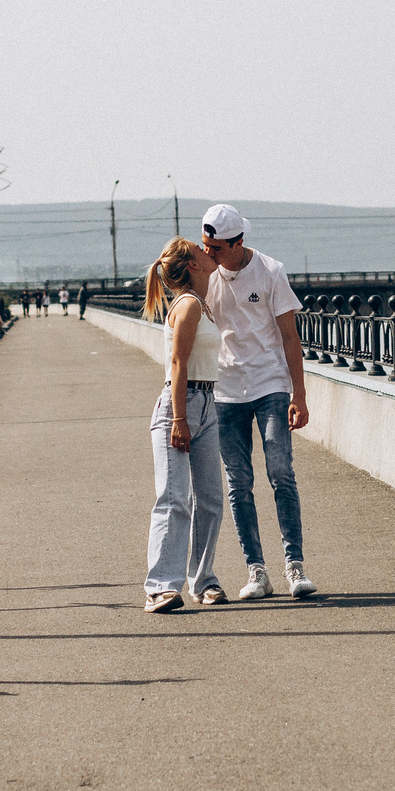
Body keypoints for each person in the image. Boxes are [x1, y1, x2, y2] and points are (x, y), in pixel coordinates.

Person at [197, 203, 316, 599]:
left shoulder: (270, 271)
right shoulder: (206, 276)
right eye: (205, 246)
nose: (209, 254)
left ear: (238, 241)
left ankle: (294, 567)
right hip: (226, 390)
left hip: (270, 385)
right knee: (238, 482)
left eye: (215, 248)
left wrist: (298, 394)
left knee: (281, 471)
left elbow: (289, 338)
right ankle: (256, 571)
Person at [140, 238, 225, 612]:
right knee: (174, 500)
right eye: (201, 249)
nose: (209, 251)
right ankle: (160, 587)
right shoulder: (188, 305)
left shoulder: (203, 305)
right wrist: (179, 418)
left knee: (209, 501)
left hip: (207, 403)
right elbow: (177, 364)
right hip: (181, 405)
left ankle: (203, 580)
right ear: (193, 265)